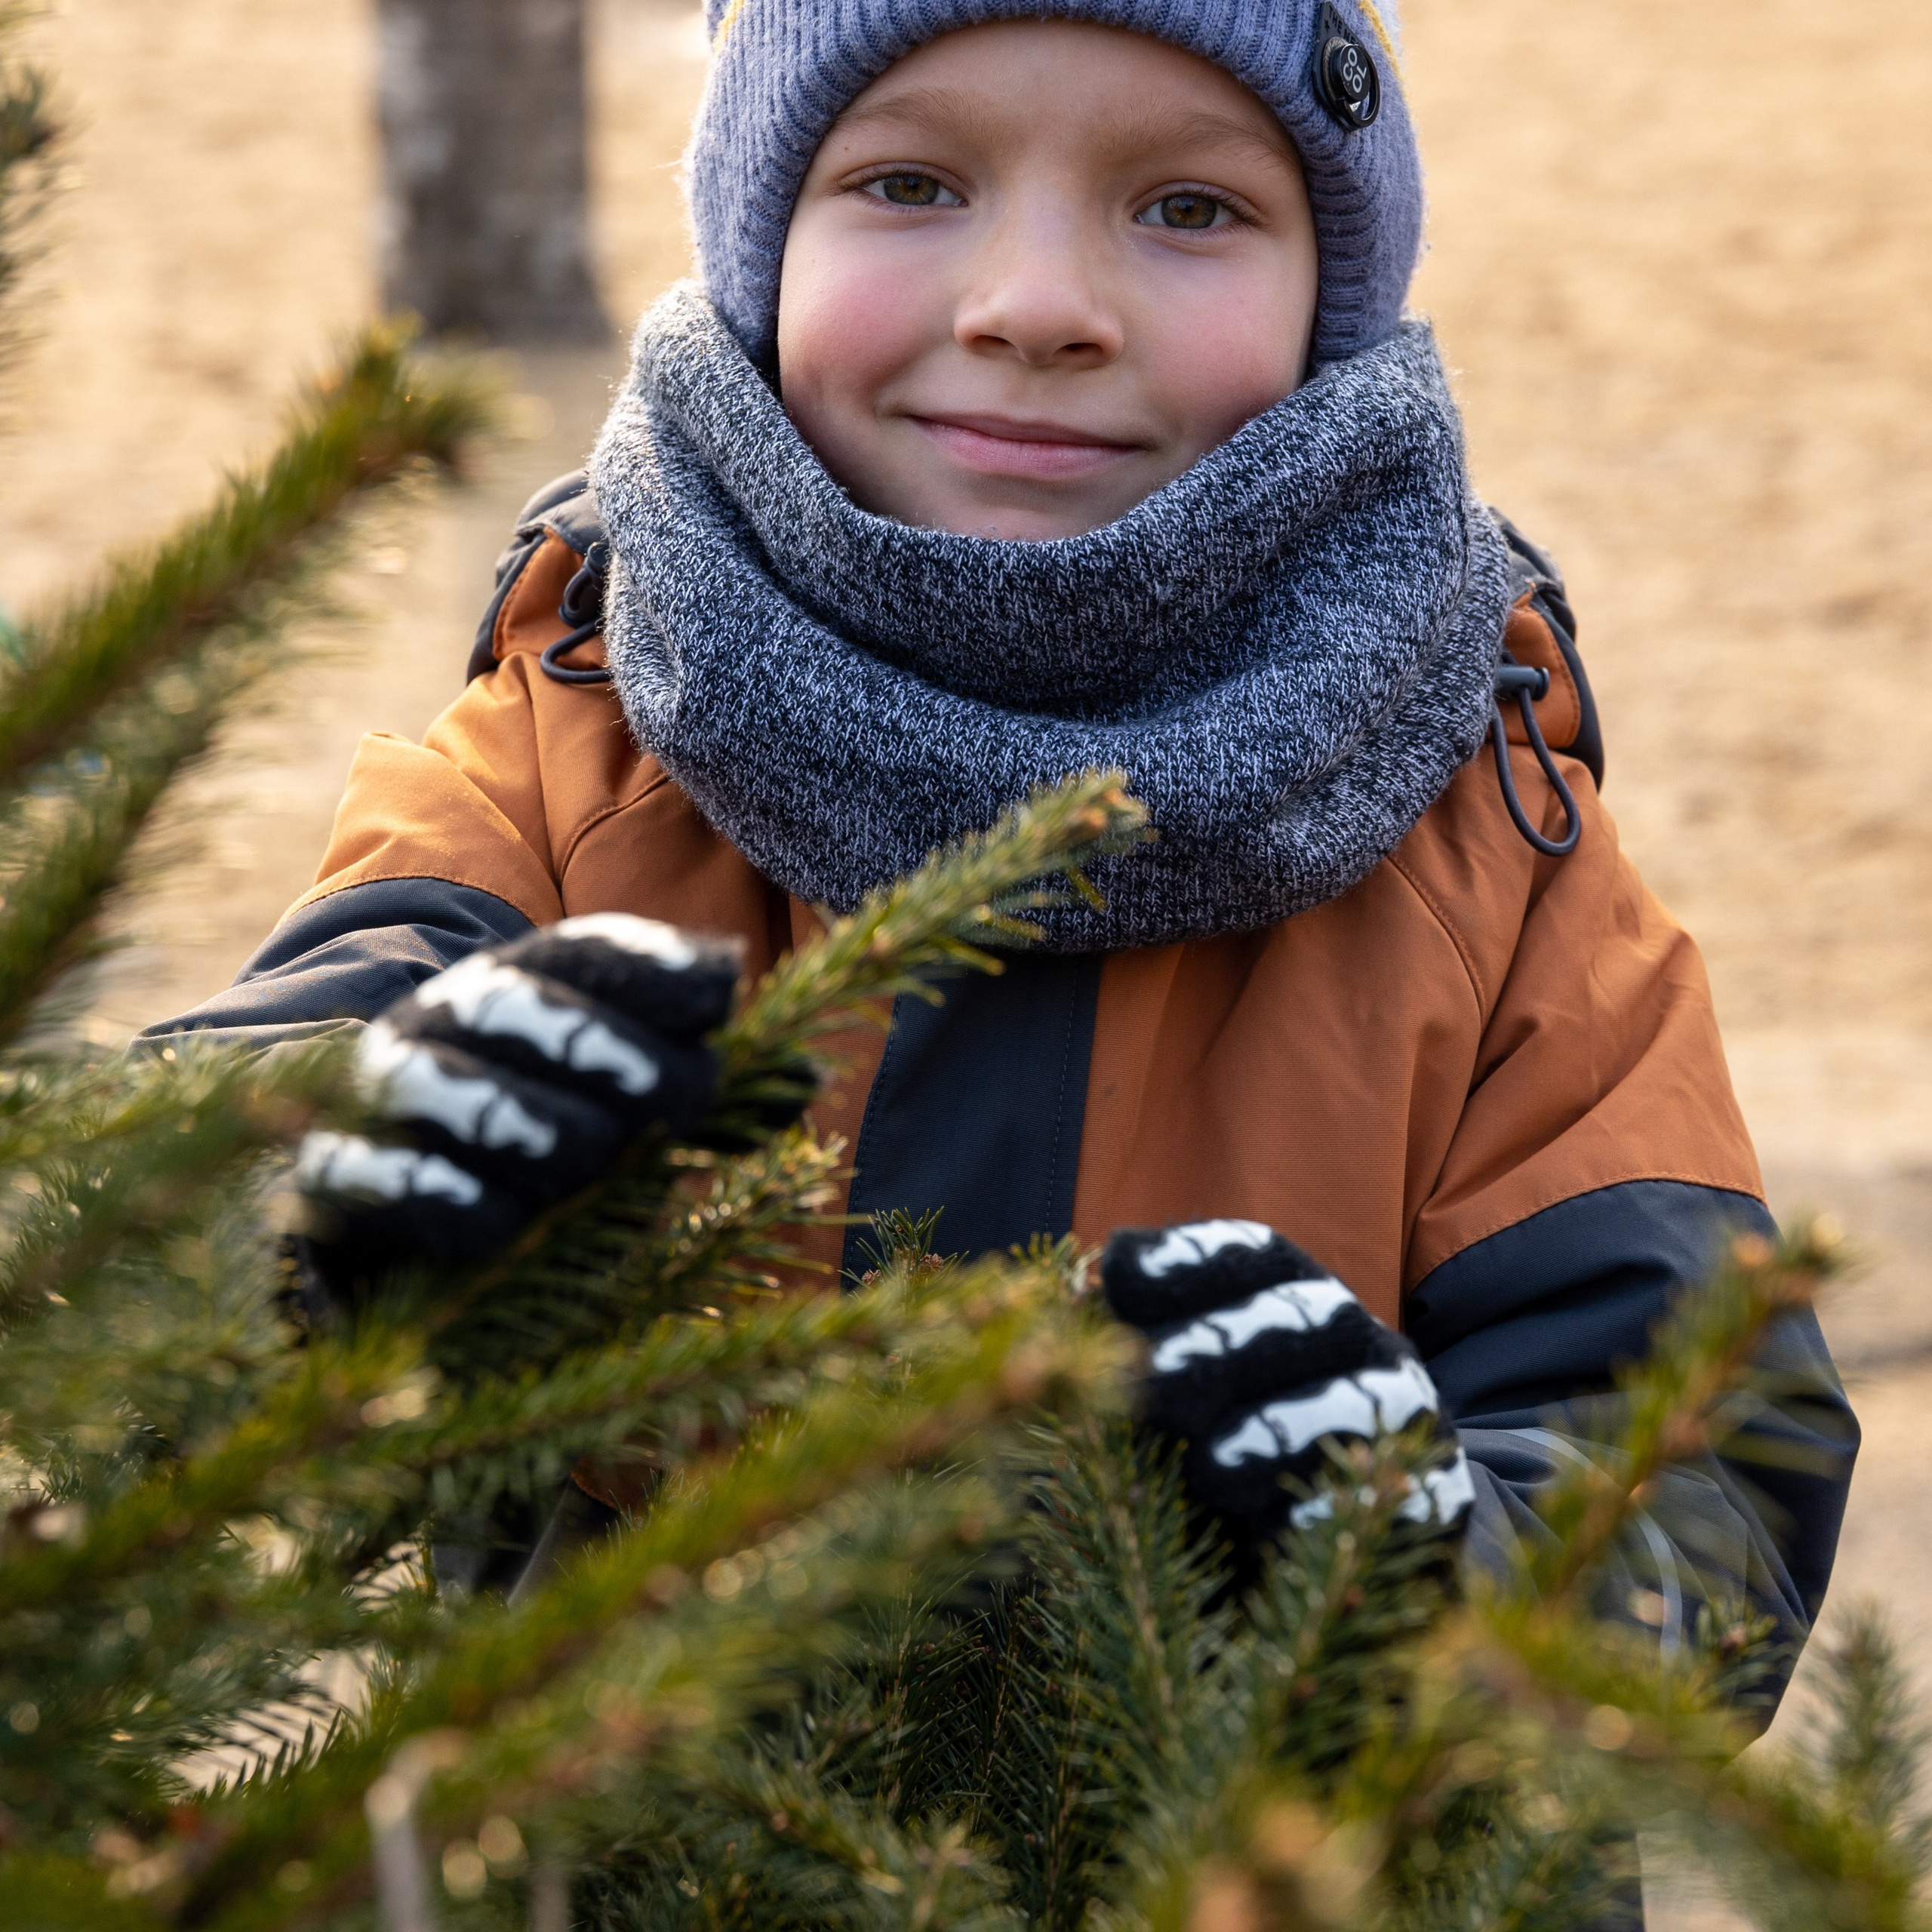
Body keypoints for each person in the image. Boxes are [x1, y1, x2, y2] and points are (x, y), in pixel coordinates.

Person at [149, 2, 1854, 1674]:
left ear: (1329, 302)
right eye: (910, 183)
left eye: (1187, 208)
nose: (1036, 306)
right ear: (764, 239)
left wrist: (1418, 1565)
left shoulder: (1483, 842)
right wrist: (346, 1186)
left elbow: (1704, 1469)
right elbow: (154, 1206)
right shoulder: (571, 742)